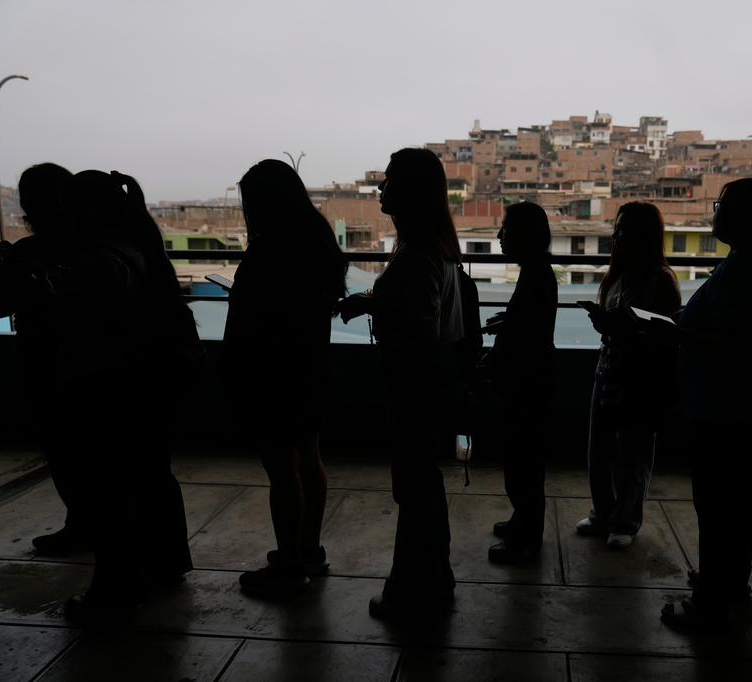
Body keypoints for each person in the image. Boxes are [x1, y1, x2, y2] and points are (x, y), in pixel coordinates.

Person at [55, 170, 203, 624]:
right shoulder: (140, 248)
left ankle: (116, 590)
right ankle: (165, 562)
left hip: (108, 387)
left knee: (109, 492)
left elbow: (81, 333)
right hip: (148, 384)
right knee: (151, 477)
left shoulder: (99, 261)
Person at [337, 147, 463, 617]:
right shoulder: (431, 245)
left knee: (414, 489)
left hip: (416, 384)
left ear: (408, 190)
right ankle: (432, 580)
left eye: (388, 181)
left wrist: (372, 305)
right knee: (422, 486)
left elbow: (422, 325)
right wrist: (373, 299)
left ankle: (414, 591)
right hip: (430, 383)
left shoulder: (420, 250)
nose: (381, 188)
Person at [659, 178, 752, 627]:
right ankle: (732, 578)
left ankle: (710, 601)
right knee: (737, 496)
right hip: (741, 407)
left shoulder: (746, 266)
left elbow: (736, 345)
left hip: (725, 408)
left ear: (745, 217)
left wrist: (673, 334)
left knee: (715, 504)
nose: (715, 213)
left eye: (722, 205)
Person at [220, 159, 349, 596]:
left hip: (272, 372)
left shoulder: (270, 249)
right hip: (310, 366)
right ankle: (308, 549)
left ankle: (289, 566)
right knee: (309, 460)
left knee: (281, 471)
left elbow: (254, 317)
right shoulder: (317, 239)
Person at [0, 163, 91, 555]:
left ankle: (81, 523)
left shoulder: (27, 253)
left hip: (43, 361)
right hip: (93, 362)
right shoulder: (92, 244)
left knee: (61, 447)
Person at [577, 201, 681, 550]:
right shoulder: (617, 275)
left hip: (641, 375)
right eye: (617, 227)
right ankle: (604, 514)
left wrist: (624, 329)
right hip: (609, 369)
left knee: (634, 452)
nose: (617, 235)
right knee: (600, 447)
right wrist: (606, 326)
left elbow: (668, 337)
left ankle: (625, 520)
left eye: (624, 229)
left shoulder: (661, 280)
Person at [482, 202, 557, 563]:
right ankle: (522, 522)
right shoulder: (536, 271)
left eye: (506, 227)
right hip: (531, 385)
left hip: (526, 387)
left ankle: (526, 539)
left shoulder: (536, 274)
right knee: (522, 462)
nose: (499, 235)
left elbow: (530, 336)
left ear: (525, 233)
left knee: (522, 464)